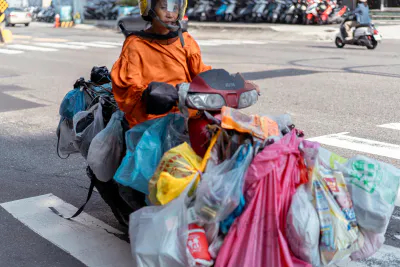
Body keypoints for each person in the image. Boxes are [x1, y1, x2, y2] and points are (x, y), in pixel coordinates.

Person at [111, 0, 212, 128]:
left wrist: (224, 83)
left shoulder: (185, 41)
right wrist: (152, 95)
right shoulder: (135, 44)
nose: (170, 14)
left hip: (185, 117)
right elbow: (129, 88)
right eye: (164, 7)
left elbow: (201, 74)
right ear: (149, 8)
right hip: (150, 123)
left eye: (174, 8)